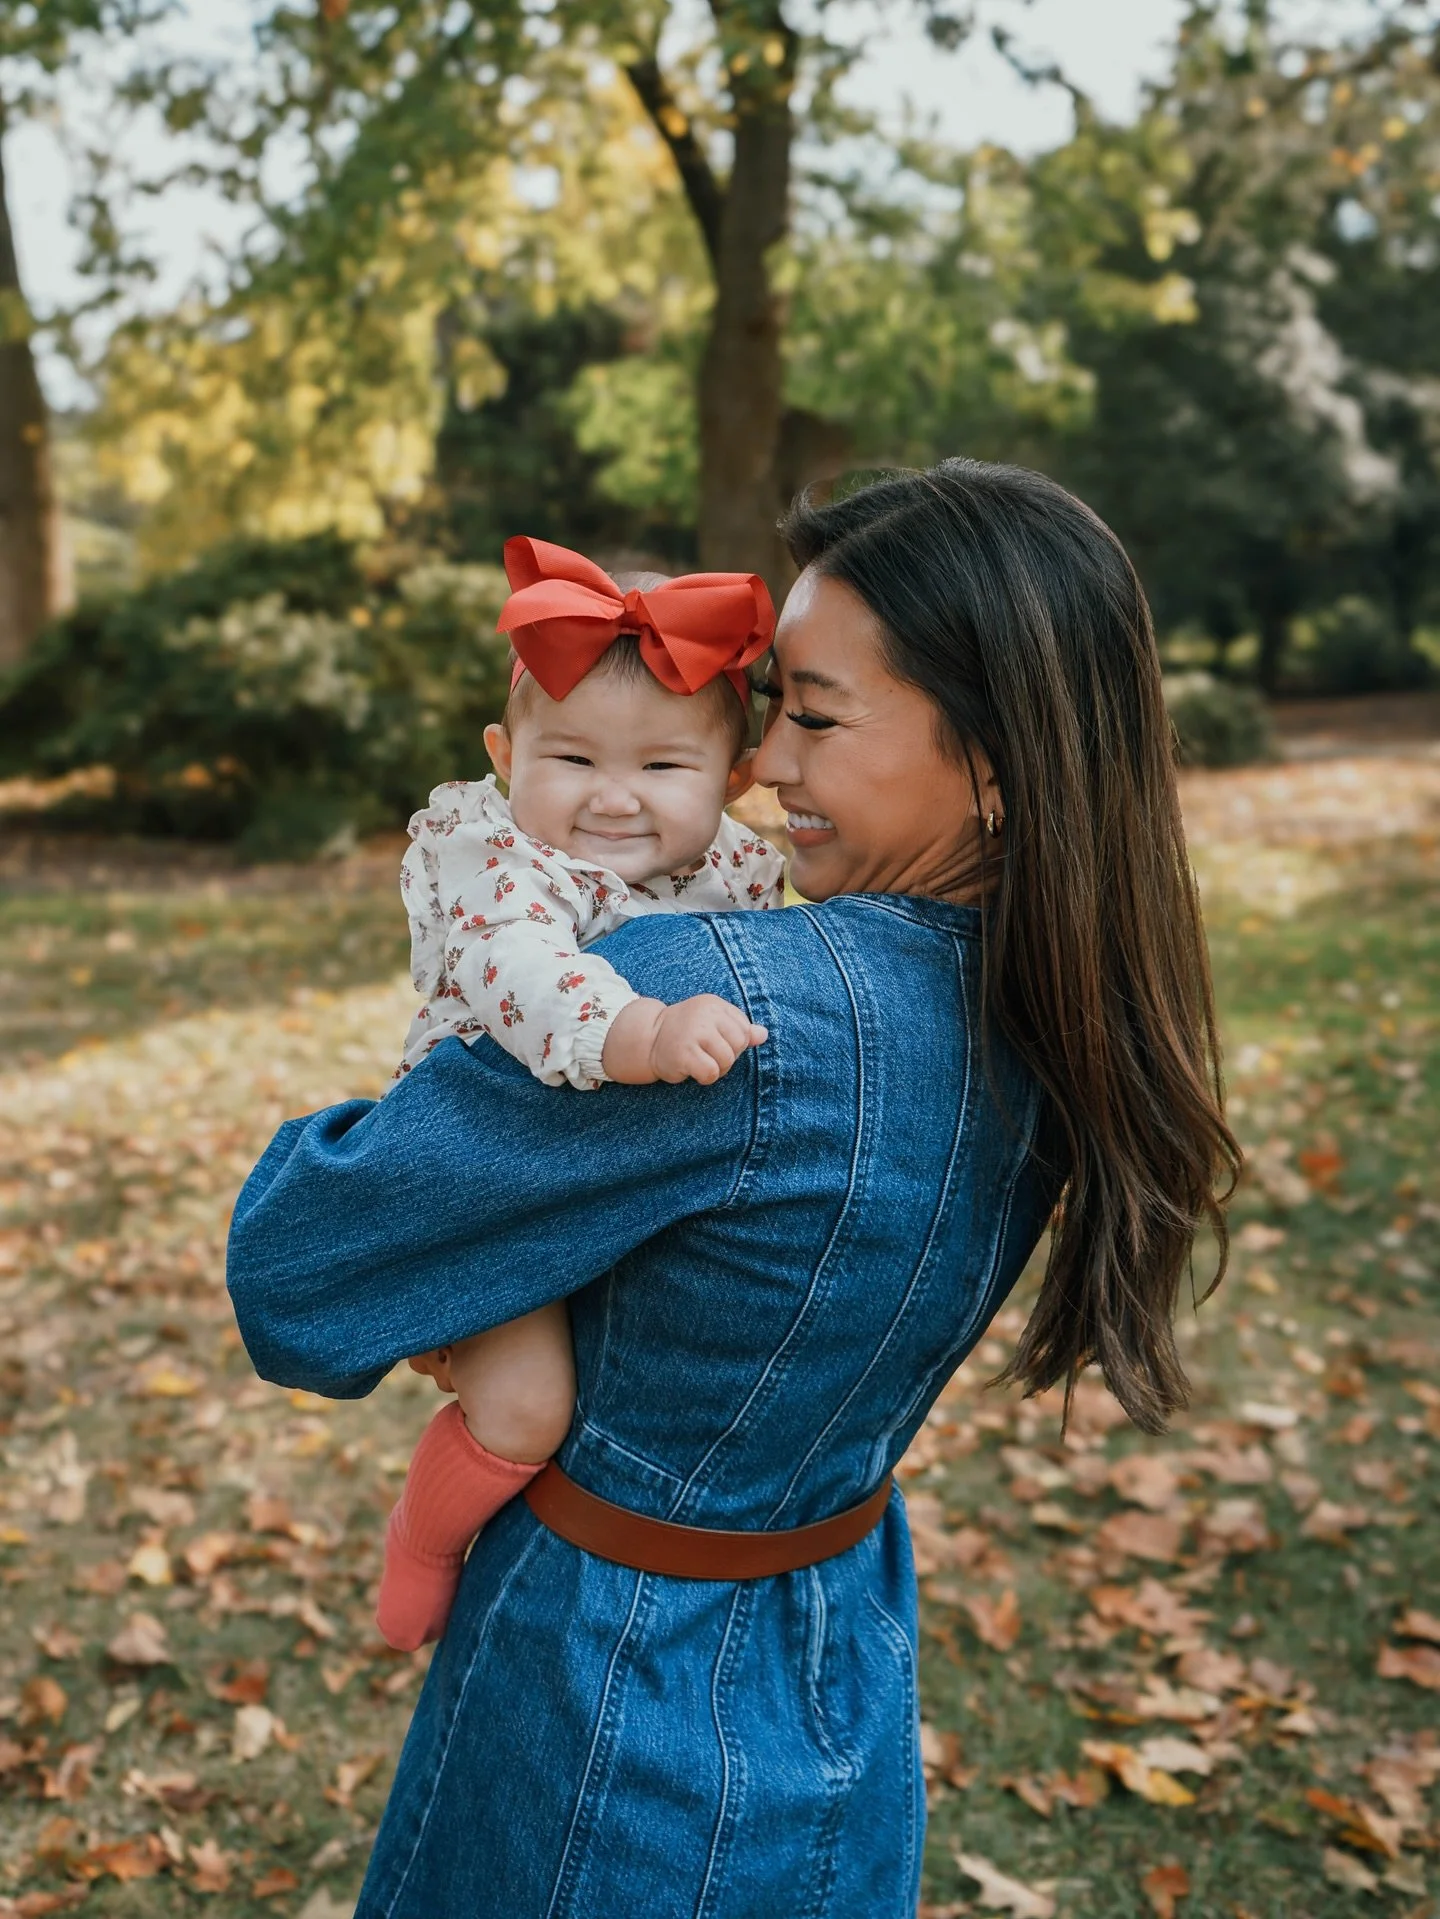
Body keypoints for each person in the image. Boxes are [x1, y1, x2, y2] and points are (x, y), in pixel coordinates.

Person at [227, 459, 1239, 1919]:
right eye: (769, 708)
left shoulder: (707, 1009)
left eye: (814, 716)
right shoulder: (1055, 1013)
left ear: (997, 759)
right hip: (841, 1670)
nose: (758, 764)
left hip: (600, 1713)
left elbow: (301, 1266)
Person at [379, 537, 785, 1650]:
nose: (613, 798)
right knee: (526, 1408)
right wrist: (642, 1030)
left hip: (629, 1173)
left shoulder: (738, 871)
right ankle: (427, 1535)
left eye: (662, 765)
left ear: (733, 779)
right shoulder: (499, 858)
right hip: (489, 1173)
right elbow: (519, 970)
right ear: (506, 753)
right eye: (570, 757)